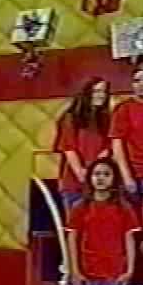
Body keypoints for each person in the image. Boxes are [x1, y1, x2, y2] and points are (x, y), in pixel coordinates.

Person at [54, 77, 112, 212]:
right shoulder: (71, 117)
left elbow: (108, 148)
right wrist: (81, 174)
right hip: (75, 183)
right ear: (86, 93)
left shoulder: (105, 119)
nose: (101, 95)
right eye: (96, 91)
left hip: (99, 183)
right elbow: (69, 149)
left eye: (104, 91)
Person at [110, 61, 143, 205]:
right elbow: (117, 146)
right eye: (137, 81)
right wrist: (127, 177)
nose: (141, 84)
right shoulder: (124, 109)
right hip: (136, 176)